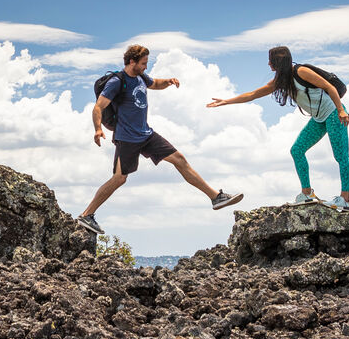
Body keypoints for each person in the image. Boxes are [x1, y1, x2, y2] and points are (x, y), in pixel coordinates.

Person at [77, 43, 242, 233]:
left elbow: (154, 83)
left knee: (179, 159)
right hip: (127, 138)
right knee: (119, 179)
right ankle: (86, 215)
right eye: (143, 63)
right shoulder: (117, 82)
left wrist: (169, 81)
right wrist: (98, 129)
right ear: (132, 62)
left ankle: (216, 197)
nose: (146, 66)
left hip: (146, 134)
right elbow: (98, 107)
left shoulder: (140, 76)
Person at [205, 45, 349, 209]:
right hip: (319, 119)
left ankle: (345, 199)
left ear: (278, 62)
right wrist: (227, 101)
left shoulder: (301, 72)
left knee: (341, 156)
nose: (269, 64)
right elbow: (253, 94)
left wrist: (341, 110)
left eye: (271, 61)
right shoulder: (280, 81)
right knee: (297, 150)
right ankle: (307, 193)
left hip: (334, 113)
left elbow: (329, 87)